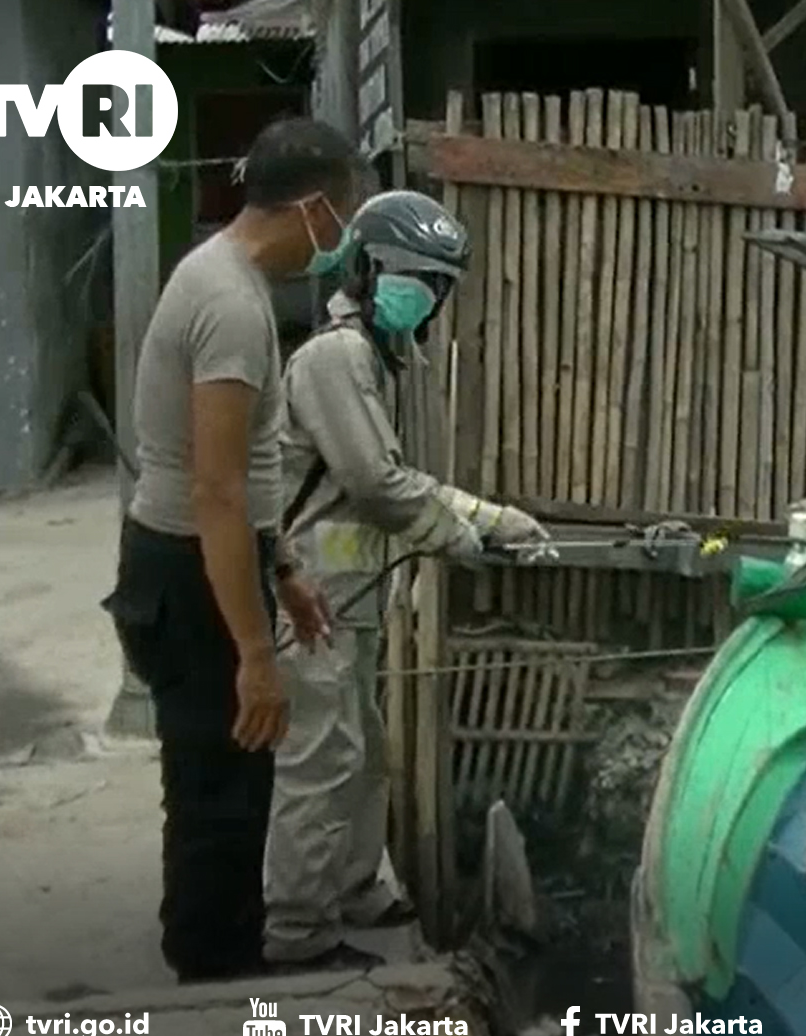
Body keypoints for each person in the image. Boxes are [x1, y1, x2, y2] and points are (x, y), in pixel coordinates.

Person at [101, 117, 360, 984]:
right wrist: (253, 652)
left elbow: (243, 480)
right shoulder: (231, 304)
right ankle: (215, 985)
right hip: (188, 566)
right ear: (313, 207)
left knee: (234, 781)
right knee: (221, 790)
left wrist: (281, 568)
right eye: (342, 218)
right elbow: (215, 489)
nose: (337, 242)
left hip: (199, 554)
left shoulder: (224, 280)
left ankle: (222, 958)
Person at [263, 190, 550, 972]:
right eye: (413, 278)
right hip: (313, 599)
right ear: (367, 269)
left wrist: (493, 516)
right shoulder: (335, 357)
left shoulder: (376, 359)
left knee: (362, 753)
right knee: (320, 761)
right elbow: (375, 484)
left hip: (349, 599)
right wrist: (461, 536)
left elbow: (397, 474)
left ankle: (355, 890)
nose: (425, 297)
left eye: (436, 284)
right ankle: (296, 932)